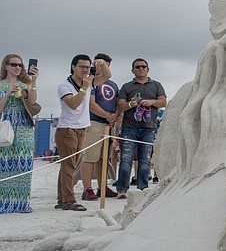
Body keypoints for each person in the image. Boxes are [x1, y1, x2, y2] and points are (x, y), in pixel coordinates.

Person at [115, 58, 166, 198]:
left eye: (143, 66)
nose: (141, 69)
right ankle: (121, 190)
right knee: (126, 160)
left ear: (148, 69)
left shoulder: (156, 85)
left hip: (149, 128)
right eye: (137, 67)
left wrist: (151, 102)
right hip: (129, 127)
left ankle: (143, 189)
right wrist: (132, 104)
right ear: (133, 70)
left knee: (145, 161)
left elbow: (163, 102)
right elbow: (120, 106)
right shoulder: (127, 87)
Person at [0, 54, 39, 213]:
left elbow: (32, 102)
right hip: (6, 123)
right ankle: (4, 203)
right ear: (6, 66)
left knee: (24, 162)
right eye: (14, 64)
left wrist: (34, 81)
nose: (17, 68)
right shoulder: (1, 85)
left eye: (20, 65)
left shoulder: (25, 83)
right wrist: (8, 92)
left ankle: (22, 203)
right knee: (5, 163)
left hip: (23, 125)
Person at [79, 54, 120, 201]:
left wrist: (115, 116)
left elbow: (117, 102)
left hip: (108, 125)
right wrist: (106, 115)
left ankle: (102, 187)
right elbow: (91, 103)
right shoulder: (91, 82)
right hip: (95, 122)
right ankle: (86, 188)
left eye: (106, 65)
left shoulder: (113, 84)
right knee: (90, 156)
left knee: (103, 158)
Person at [56, 54, 93, 211]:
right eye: (82, 67)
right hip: (67, 129)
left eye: (87, 67)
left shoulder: (88, 81)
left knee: (68, 166)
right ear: (73, 67)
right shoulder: (65, 85)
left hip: (81, 128)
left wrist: (101, 64)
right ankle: (69, 200)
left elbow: (107, 75)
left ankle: (62, 199)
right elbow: (73, 104)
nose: (85, 70)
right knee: (69, 167)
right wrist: (84, 87)